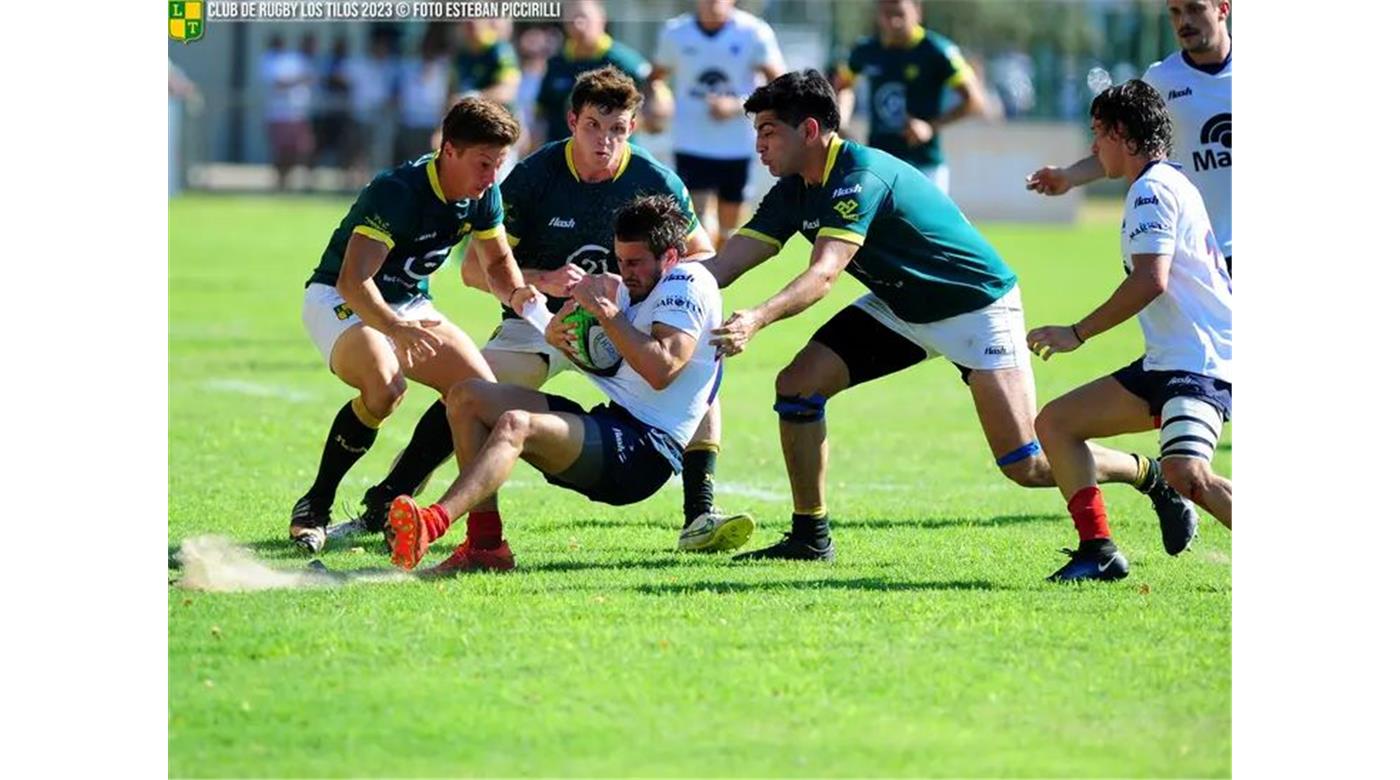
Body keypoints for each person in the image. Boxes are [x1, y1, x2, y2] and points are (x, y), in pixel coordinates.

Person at [701, 70, 1190, 561]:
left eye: (768, 132)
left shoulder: (857, 176)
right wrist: (672, 285)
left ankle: (1147, 474)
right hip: (902, 308)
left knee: (1028, 464)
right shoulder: (793, 189)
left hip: (976, 306)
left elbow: (825, 274)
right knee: (797, 385)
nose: (759, 145)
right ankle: (811, 536)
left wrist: (757, 318)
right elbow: (725, 264)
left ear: (809, 130)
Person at [353, 66, 752, 554]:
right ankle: (389, 499)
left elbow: (701, 257)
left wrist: (656, 306)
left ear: (633, 127)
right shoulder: (535, 176)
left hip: (621, 322)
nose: (605, 141)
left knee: (700, 358)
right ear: (572, 121)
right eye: (593, 126)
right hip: (542, 322)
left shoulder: (655, 181)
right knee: (470, 389)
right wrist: (543, 281)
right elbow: (474, 271)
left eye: (617, 129)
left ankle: (699, 514)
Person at [385, 194, 728, 573]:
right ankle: (486, 547)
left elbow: (661, 369)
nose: (626, 271)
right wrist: (556, 330)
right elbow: (606, 359)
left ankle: (432, 522)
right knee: (467, 395)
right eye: (620, 260)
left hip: (644, 453)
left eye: (636, 263)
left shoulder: (686, 283)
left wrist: (607, 313)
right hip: (611, 423)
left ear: (671, 257)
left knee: (516, 425)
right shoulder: (633, 287)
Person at [290, 97, 537, 554]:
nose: (491, 178)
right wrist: (394, 328)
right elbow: (353, 279)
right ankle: (315, 505)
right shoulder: (399, 191)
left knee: (478, 396)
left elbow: (498, 262)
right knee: (385, 387)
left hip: (406, 303)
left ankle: (385, 501)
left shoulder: (484, 194)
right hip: (341, 297)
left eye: (498, 165)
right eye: (484, 164)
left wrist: (519, 294)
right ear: (450, 151)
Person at [1028, 80, 1232, 582]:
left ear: (1123, 134)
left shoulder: (1152, 190)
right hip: (1169, 360)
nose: (1094, 145)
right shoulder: (1166, 181)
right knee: (1056, 424)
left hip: (1199, 362)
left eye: (1098, 133)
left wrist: (1077, 332)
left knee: (1187, 474)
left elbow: (1149, 280)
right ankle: (1097, 550)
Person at [1027, 0, 1232, 276]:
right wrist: (1069, 176)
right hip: (1197, 254)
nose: (1184, 21)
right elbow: (1126, 148)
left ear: (1223, 8)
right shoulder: (1161, 79)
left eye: (1195, 9)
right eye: (1175, 12)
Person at [650, 0, 786, 249]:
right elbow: (655, 79)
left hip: (737, 144)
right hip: (691, 142)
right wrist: (658, 101)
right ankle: (705, 268)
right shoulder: (676, 32)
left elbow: (780, 85)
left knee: (728, 231)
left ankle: (720, 267)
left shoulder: (753, 32)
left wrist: (738, 105)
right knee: (698, 221)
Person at [831, 0, 989, 194]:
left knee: (928, 215)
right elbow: (843, 86)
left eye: (900, 14)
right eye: (887, 14)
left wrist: (930, 127)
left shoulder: (937, 50)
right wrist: (842, 121)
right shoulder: (865, 50)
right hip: (878, 165)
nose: (893, 22)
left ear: (917, 12)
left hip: (924, 165)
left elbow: (975, 101)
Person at [532, 0, 654, 149]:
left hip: (611, 155)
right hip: (562, 155)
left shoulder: (623, 61)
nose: (578, 24)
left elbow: (656, 98)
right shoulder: (556, 63)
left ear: (602, 19)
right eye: (571, 19)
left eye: (583, 17)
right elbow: (541, 112)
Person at [260, 33, 316, 190]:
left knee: (302, 150)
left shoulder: (297, 60)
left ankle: (298, 183)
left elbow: (310, 79)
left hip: (298, 114)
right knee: (281, 152)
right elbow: (278, 84)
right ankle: (280, 183)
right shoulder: (268, 60)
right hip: (279, 115)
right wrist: (298, 80)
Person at [453, 19, 521, 106]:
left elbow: (507, 92)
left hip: (499, 113)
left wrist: (474, 97)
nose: (471, 20)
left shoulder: (500, 49)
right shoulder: (461, 55)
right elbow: (453, 90)